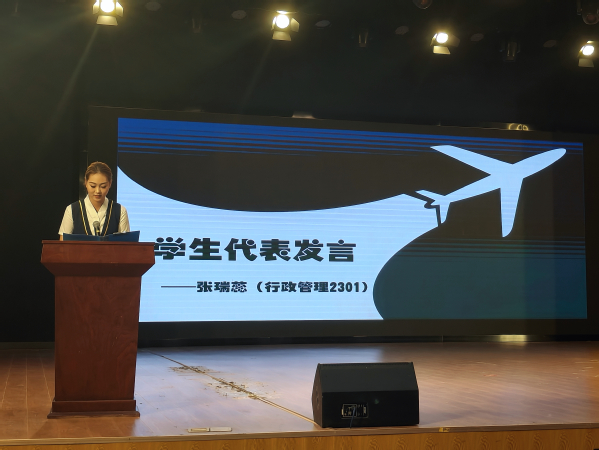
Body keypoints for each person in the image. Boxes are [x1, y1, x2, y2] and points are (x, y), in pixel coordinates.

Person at [58, 162, 130, 239]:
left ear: (110, 183)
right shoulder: (72, 210)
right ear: (85, 182)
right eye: (93, 186)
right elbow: (63, 243)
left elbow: (126, 244)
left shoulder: (120, 211)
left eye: (103, 186)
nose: (97, 191)